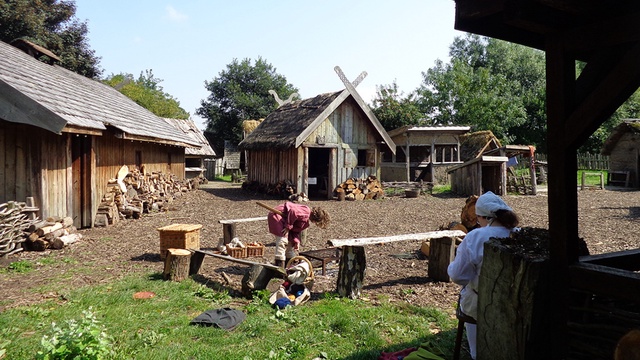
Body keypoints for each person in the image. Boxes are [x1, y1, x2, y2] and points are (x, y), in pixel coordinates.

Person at [447, 191, 520, 360]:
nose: (477, 222)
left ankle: (477, 354)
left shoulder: (475, 237)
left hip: (482, 304)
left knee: (471, 297)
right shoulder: (520, 234)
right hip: (516, 302)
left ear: (486, 217)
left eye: (478, 218)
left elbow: (458, 276)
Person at [267, 201, 329, 267]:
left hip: (285, 221)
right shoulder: (306, 211)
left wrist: (296, 241)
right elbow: (293, 211)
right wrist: (288, 226)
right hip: (277, 216)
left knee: (291, 245)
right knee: (282, 241)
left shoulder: (305, 223)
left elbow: (295, 231)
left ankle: (289, 265)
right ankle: (279, 266)